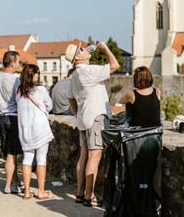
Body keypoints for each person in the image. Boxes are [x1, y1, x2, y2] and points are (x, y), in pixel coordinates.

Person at [66, 41, 120, 207]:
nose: (86, 49)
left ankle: (80, 193)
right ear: (79, 57)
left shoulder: (74, 75)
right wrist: (105, 49)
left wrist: (78, 112)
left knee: (83, 157)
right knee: (94, 158)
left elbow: (70, 98)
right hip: (96, 117)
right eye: (82, 49)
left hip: (83, 119)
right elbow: (115, 65)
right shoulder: (89, 71)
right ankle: (90, 196)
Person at [16, 64, 54, 200]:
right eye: (38, 73)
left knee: (27, 159)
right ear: (34, 74)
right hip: (40, 129)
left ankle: (26, 191)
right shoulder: (41, 89)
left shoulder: (19, 91)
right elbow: (50, 105)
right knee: (41, 160)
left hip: (25, 130)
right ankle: (41, 191)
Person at [0, 51, 24, 194]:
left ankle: (14, 181)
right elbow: (21, 101)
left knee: (9, 153)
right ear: (12, 62)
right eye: (18, 62)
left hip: (1, 117)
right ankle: (9, 185)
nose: (19, 65)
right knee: (12, 154)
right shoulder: (16, 80)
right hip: (14, 117)